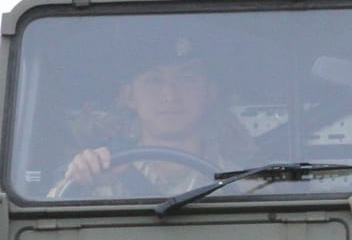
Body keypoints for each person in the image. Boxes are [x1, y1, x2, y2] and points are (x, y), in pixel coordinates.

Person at [54, 39, 252, 197]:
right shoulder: (105, 174)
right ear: (129, 96)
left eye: (186, 79)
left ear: (210, 94)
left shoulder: (241, 184)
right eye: (154, 80)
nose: (170, 95)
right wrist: (78, 179)